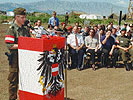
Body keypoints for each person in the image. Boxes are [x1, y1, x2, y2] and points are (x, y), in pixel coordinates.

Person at [5, 7, 31, 100]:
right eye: (22, 17)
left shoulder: (25, 29)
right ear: (17, 17)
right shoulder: (11, 29)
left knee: (25, 79)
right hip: (15, 58)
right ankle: (12, 98)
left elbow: (29, 41)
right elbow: (10, 45)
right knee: (13, 80)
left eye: (24, 17)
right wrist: (23, 45)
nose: (24, 19)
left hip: (25, 58)